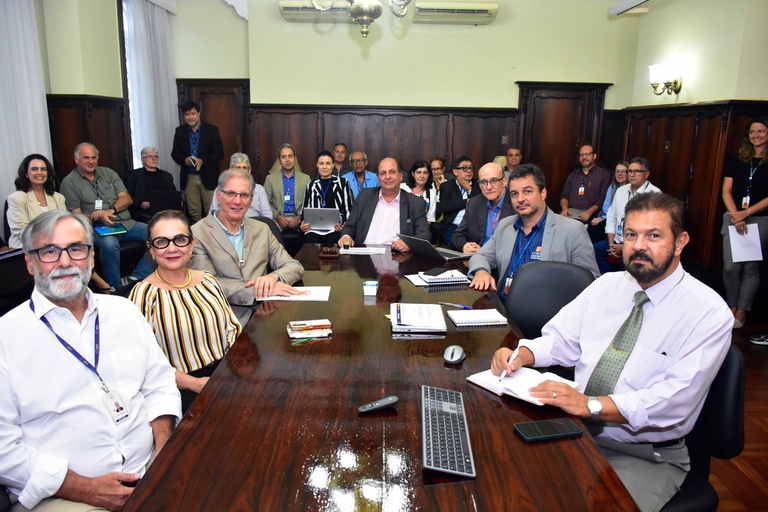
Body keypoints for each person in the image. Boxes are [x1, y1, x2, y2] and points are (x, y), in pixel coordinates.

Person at [491, 192, 732, 512]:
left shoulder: (708, 313)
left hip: (645, 454)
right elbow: (561, 340)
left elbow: (674, 403)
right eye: (631, 234)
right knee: (504, 477)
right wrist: (523, 353)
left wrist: (590, 404)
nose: (639, 245)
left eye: (654, 235)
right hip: (576, 428)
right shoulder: (607, 286)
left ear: (681, 242)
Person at [0, 210, 180, 511]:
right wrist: (83, 489)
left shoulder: (123, 311)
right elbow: (4, 448)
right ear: (29, 263)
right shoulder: (6, 338)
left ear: (92, 257)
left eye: (76, 249)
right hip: (63, 494)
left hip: (152, 464)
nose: (66, 262)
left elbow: (159, 385)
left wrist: (163, 449)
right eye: (49, 251)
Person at [130, 210, 241, 413]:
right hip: (179, 390)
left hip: (226, 377)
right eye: (161, 242)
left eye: (180, 239)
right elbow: (142, 361)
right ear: (151, 249)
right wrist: (193, 384)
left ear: (192, 243)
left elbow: (232, 328)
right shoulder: (143, 294)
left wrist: (233, 373)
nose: (172, 248)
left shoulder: (208, 280)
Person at [469, 164, 600, 298]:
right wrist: (481, 271)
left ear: (543, 193)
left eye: (527, 191)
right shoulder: (505, 226)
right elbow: (481, 256)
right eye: (514, 194)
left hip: (546, 312)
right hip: (503, 306)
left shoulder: (572, 231)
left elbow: (590, 281)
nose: (520, 199)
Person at [191, 170, 304, 306]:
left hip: (265, 311)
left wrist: (274, 277)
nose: (237, 201)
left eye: (244, 195)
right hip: (223, 314)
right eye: (231, 193)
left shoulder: (262, 229)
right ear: (218, 196)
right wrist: (259, 291)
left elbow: (294, 266)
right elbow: (207, 285)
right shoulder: (197, 233)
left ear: (251, 201)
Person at [7, 153, 113, 293]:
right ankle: (99, 282)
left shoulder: (57, 198)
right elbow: (21, 231)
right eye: (34, 169)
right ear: (26, 173)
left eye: (43, 169)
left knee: (80, 248)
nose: (39, 173)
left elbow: (65, 224)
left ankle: (84, 288)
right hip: (27, 248)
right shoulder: (17, 198)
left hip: (58, 244)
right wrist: (52, 241)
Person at [59, 142, 155, 288]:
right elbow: (76, 215)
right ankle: (115, 287)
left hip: (124, 222)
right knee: (110, 245)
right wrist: (98, 216)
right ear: (76, 159)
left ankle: (138, 276)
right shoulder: (69, 182)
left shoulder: (108, 173)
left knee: (157, 235)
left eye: (94, 157)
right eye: (86, 158)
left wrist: (110, 211)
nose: (91, 161)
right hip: (98, 228)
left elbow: (126, 198)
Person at [721, 117, 768, 329]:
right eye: (752, 132)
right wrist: (736, 215)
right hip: (732, 217)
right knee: (731, 268)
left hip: (759, 220)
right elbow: (726, 190)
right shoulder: (738, 158)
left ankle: (742, 311)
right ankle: (731, 306)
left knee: (750, 269)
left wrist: (746, 213)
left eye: (761, 132)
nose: (756, 136)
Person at [338, 157, 430, 252]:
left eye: (392, 172)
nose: (387, 177)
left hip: (396, 256)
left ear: (401, 176)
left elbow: (424, 234)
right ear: (378, 178)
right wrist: (346, 236)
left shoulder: (415, 203)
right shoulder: (364, 196)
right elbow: (350, 226)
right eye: (383, 173)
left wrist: (409, 243)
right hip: (363, 254)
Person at [595, 157, 661, 274]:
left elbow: (651, 230)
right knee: (593, 251)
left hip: (638, 244)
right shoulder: (621, 191)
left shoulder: (654, 195)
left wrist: (625, 246)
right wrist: (611, 243)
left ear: (646, 174)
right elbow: (611, 217)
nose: (632, 174)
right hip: (616, 240)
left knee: (625, 261)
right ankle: (610, 279)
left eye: (637, 171)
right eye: (629, 171)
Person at [171, 100, 224, 222]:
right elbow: (174, 154)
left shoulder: (211, 130)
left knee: (211, 212)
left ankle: (213, 238)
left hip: (208, 177)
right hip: (189, 177)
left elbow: (219, 154)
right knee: (194, 212)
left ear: (199, 113)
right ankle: (198, 238)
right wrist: (184, 160)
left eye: (193, 113)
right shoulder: (180, 131)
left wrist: (202, 161)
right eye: (187, 114)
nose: (190, 117)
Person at [453, 162, 513, 254]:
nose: (489, 187)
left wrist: (485, 253)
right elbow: (458, 235)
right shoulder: (474, 203)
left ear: (504, 181)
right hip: (476, 261)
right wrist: (465, 245)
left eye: (494, 180)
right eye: (484, 182)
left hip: (504, 264)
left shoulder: (516, 204)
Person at [300, 150, 355, 244]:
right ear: (317, 165)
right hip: (314, 228)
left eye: (328, 163)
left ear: (333, 165)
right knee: (310, 239)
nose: (324, 167)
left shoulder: (343, 183)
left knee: (333, 239)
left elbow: (349, 209)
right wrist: (302, 223)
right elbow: (304, 210)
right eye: (321, 163)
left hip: (336, 228)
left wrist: (344, 226)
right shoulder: (311, 185)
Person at [124, 146, 182, 222]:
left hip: (167, 211)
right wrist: (140, 203)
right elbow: (127, 196)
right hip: (146, 212)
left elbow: (173, 194)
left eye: (156, 156)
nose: (154, 159)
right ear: (142, 160)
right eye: (150, 156)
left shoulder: (167, 175)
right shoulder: (133, 175)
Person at [432, 155, 481, 245]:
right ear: (455, 171)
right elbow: (445, 207)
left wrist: (469, 189)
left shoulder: (479, 184)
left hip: (474, 227)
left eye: (470, 168)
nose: (469, 171)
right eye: (465, 168)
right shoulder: (447, 186)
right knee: (454, 243)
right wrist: (466, 202)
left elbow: (480, 205)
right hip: (453, 225)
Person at [264, 143, 310, 233]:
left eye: (290, 156)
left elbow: (309, 203)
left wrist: (299, 217)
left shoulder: (305, 179)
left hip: (299, 219)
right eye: (284, 157)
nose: (287, 160)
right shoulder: (270, 179)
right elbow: (265, 202)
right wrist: (278, 216)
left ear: (295, 158)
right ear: (279, 160)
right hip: (278, 219)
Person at [560, 144, 612, 224]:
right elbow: (564, 196)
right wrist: (564, 209)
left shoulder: (604, 175)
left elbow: (602, 200)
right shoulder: (572, 176)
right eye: (581, 155)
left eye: (587, 154)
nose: (584, 157)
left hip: (592, 214)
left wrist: (589, 212)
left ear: (594, 156)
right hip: (571, 213)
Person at [208, 153, 271, 218]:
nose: (241, 171)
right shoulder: (221, 188)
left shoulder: (259, 189)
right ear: (231, 170)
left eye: (244, 168)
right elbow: (213, 213)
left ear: (249, 171)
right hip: (228, 224)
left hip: (255, 224)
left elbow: (267, 214)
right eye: (238, 168)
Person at [588, 160, 630, 243]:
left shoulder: (630, 189)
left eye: (623, 171)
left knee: (598, 227)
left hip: (619, 220)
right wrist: (603, 217)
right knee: (592, 225)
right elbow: (606, 207)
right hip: (606, 215)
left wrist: (603, 219)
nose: (619, 174)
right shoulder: (612, 186)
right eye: (617, 171)